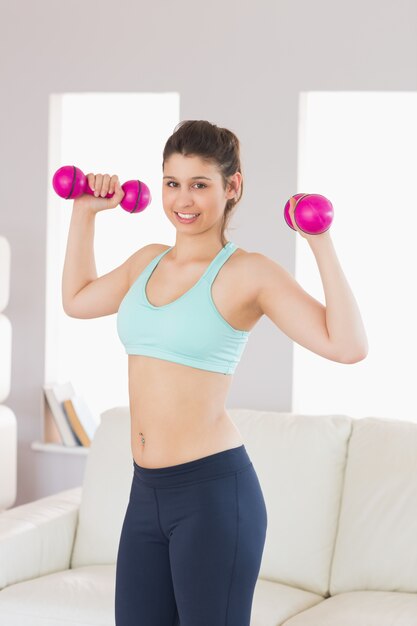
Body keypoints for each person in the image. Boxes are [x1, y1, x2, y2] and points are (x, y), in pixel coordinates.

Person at [62, 120, 368, 626]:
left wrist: (319, 239)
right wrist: (84, 212)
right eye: (172, 183)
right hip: (145, 494)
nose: (184, 200)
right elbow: (76, 300)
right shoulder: (145, 262)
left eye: (200, 184)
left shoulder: (248, 273)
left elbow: (348, 346)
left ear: (233, 187)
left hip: (213, 498)